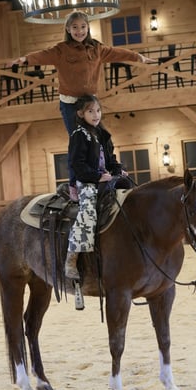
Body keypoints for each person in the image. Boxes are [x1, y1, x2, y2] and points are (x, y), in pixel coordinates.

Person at [14, 10, 156, 200]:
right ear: (68, 29)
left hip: (90, 103)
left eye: (83, 27)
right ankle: (74, 184)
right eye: (75, 27)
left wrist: (138, 57)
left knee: (103, 137)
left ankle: (112, 170)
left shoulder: (96, 48)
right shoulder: (61, 50)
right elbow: (43, 55)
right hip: (71, 105)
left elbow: (117, 53)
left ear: (88, 27)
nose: (79, 31)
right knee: (78, 142)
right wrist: (26, 59)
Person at [64, 94, 126, 280]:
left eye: (98, 110)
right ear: (81, 114)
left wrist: (118, 170)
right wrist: (97, 177)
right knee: (88, 213)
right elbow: (77, 164)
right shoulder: (78, 135)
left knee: (128, 194)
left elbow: (110, 159)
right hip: (86, 182)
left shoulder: (102, 134)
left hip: (105, 178)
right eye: (90, 111)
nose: (96, 115)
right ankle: (72, 257)